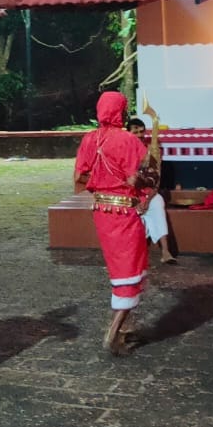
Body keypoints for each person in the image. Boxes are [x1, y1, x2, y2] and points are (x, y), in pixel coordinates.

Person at [74, 92, 152, 356]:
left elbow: (79, 176)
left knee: (119, 267)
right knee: (129, 269)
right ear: (120, 110)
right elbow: (134, 179)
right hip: (123, 213)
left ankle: (126, 327)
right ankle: (113, 332)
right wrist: (146, 187)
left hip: (101, 211)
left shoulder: (89, 139)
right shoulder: (127, 140)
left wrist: (103, 186)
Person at [127, 117, 177, 265]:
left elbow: (156, 181)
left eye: (142, 132)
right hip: (129, 195)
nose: (139, 135)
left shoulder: (152, 151)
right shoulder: (122, 152)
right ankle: (133, 253)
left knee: (158, 202)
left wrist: (148, 200)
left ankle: (166, 252)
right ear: (128, 133)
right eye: (135, 132)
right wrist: (136, 201)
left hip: (148, 193)